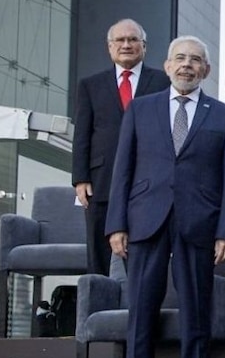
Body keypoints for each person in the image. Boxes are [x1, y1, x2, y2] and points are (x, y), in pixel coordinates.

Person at [105, 36, 225, 358]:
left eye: (195, 60)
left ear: (206, 71)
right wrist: (116, 223)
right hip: (145, 221)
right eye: (180, 59)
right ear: (166, 66)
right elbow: (123, 170)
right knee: (141, 314)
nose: (187, 65)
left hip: (199, 224)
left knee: (196, 314)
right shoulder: (140, 109)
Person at [72, 19, 170, 275]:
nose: (126, 45)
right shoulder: (90, 85)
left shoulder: (163, 83)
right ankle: (95, 313)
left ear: (144, 46)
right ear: (109, 47)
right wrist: (80, 178)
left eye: (133, 39)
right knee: (98, 260)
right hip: (101, 182)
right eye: (120, 40)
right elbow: (82, 134)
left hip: (147, 183)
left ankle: (139, 311)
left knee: (143, 260)